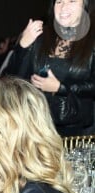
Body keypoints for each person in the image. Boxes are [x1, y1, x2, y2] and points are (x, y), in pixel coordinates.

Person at [6, 0, 95, 136]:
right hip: (37, 127)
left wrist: (60, 88)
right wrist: (22, 46)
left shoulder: (91, 41)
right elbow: (11, 79)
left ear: (85, 6)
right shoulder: (40, 36)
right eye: (59, 2)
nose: (63, 7)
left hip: (76, 133)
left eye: (72, 1)